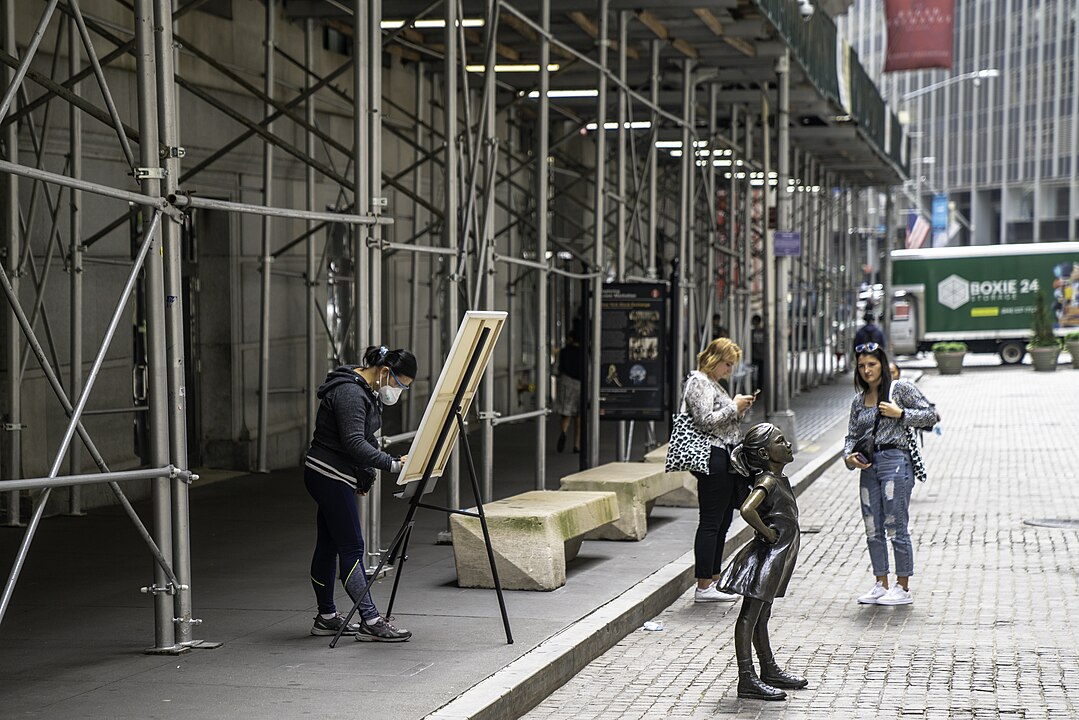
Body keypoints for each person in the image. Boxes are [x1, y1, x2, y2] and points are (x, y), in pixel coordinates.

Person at [303, 345, 417, 641]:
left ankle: (326, 616)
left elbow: (361, 440)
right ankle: (371, 620)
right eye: (398, 383)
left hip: (329, 472)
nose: (397, 390)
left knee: (329, 545)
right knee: (352, 546)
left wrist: (364, 477)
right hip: (330, 474)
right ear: (384, 371)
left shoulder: (363, 387)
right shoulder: (352, 393)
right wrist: (391, 465)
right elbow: (355, 443)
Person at [843, 343, 936, 607]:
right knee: (872, 527)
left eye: (871, 364)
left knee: (896, 525)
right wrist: (848, 457)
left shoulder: (900, 389)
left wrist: (901, 413)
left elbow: (930, 415)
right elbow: (851, 435)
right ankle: (880, 583)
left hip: (896, 461)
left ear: (883, 365)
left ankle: (902, 586)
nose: (866, 370)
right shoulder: (858, 401)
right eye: (861, 366)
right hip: (868, 466)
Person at [719, 423, 806, 701]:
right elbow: (747, 509)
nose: (788, 444)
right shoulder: (767, 481)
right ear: (764, 452)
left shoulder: (777, 479)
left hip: (778, 555)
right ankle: (747, 677)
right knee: (750, 616)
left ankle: (768, 668)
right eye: (781, 441)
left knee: (762, 615)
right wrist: (768, 533)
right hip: (767, 556)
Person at [683, 338, 758, 603]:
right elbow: (704, 421)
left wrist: (739, 410)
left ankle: (713, 579)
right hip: (711, 456)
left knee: (723, 520)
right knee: (712, 521)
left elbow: (723, 422)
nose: (729, 370)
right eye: (727, 364)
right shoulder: (699, 382)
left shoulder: (712, 383)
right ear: (714, 360)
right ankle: (704, 584)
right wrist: (732, 406)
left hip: (723, 455)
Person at [553, 329, 584, 453]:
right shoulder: (585, 353)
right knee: (579, 416)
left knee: (566, 413)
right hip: (581, 384)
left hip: (566, 382)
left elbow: (555, 370)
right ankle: (577, 444)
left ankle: (564, 431)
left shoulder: (563, 352)